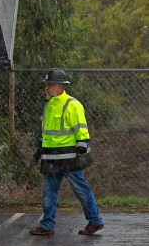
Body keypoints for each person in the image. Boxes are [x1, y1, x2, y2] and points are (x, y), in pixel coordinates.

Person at [29, 69, 104, 236]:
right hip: (51, 157)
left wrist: (82, 144)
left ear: (59, 86)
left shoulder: (72, 104)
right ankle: (47, 226)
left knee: (81, 190)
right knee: (49, 193)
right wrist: (40, 149)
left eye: (49, 84)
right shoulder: (48, 106)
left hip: (68, 158)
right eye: (46, 85)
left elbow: (81, 128)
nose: (46, 88)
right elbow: (46, 132)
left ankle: (95, 221)